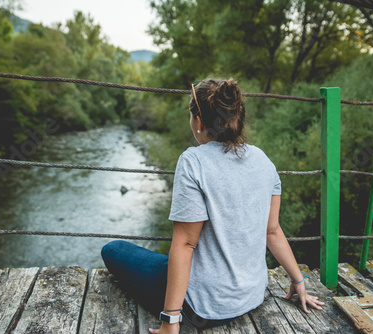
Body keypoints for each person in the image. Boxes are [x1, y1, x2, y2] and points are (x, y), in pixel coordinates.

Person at [101, 78, 324, 334]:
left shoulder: (193, 161)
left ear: (198, 122)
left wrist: (170, 321)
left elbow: (185, 243)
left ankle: (175, 310)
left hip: (204, 308)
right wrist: (298, 280)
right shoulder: (264, 160)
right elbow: (272, 231)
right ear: (237, 118)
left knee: (114, 249)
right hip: (252, 296)